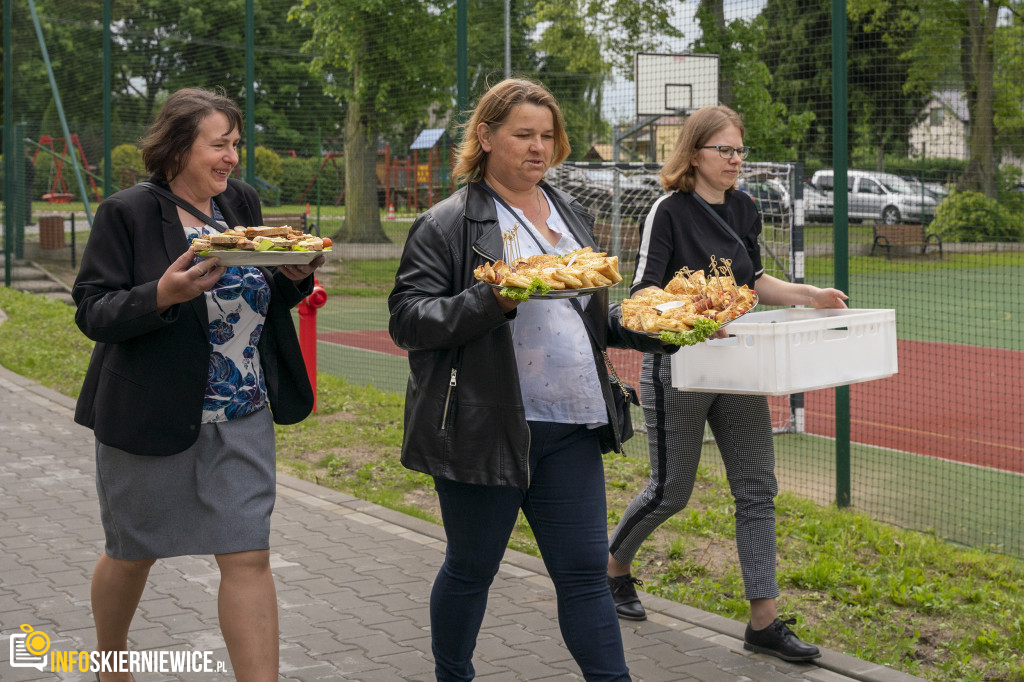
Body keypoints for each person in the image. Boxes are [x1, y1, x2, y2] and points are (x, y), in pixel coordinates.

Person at [388, 78, 669, 681]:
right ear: (486, 137)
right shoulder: (446, 224)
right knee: (470, 570)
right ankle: (452, 675)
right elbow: (409, 321)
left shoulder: (567, 211)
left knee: (586, 577)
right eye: (523, 134)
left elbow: (591, 319)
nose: (538, 147)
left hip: (571, 424)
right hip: (484, 427)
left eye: (547, 136)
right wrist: (494, 298)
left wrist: (664, 324)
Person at [72, 87, 324, 682]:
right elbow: (92, 310)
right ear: (180, 146)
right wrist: (162, 295)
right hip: (151, 413)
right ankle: (112, 662)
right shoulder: (127, 212)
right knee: (133, 553)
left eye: (235, 143)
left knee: (247, 553)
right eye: (220, 144)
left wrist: (292, 276)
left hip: (242, 408)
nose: (232, 156)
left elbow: (255, 297)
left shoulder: (241, 202)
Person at [606, 105, 848, 662]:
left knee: (757, 490)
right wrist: (693, 320)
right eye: (726, 151)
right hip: (678, 368)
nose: (737, 160)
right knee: (670, 493)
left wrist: (811, 295)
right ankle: (614, 567)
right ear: (694, 154)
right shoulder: (668, 210)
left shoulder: (744, 207)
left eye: (741, 150)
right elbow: (643, 294)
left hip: (737, 367)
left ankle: (763, 622)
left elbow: (754, 280)